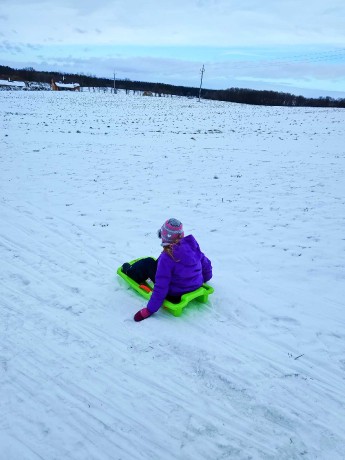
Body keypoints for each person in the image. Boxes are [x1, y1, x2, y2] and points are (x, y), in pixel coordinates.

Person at [122, 218, 212, 322]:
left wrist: (149, 310)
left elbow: (161, 286)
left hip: (174, 292)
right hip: (196, 284)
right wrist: (205, 278)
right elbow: (206, 264)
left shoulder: (167, 258)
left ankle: (130, 272)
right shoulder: (192, 247)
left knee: (148, 262)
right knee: (164, 264)